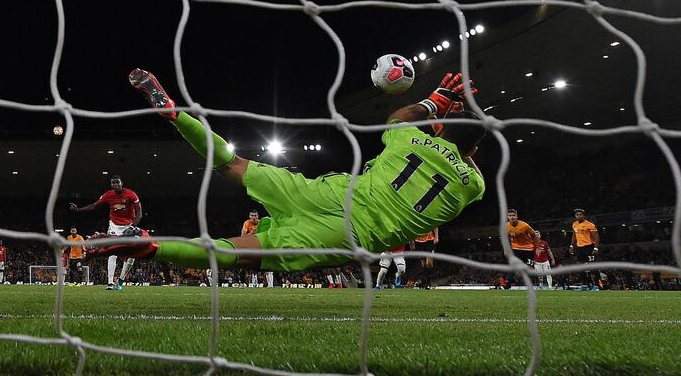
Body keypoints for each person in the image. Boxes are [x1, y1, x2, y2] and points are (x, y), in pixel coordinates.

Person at [89, 69, 485, 274]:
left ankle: (177, 115)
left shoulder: (411, 140)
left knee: (233, 162)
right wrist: (463, 137)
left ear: (437, 128)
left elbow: (399, 117)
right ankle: (153, 246)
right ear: (475, 150)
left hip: (331, 193)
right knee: (237, 254)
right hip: (349, 234)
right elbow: (464, 160)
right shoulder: (473, 185)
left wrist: (437, 101)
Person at [70, 175, 143, 290]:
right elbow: (94, 205)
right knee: (112, 252)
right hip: (114, 226)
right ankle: (109, 283)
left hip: (129, 226)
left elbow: (139, 213)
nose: (115, 185)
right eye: (113, 183)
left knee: (131, 256)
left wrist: (133, 226)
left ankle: (120, 282)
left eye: (117, 182)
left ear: (121, 183)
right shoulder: (108, 195)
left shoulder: (131, 194)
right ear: (111, 185)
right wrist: (79, 210)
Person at [569, 208, 599, 290]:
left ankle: (596, 286)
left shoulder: (590, 225)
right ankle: (584, 285)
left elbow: (596, 237)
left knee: (593, 267)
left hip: (589, 247)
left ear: (583, 215)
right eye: (577, 215)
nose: (579, 216)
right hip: (579, 248)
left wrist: (596, 248)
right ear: (575, 216)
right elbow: (574, 235)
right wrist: (571, 245)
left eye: (580, 214)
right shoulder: (574, 224)